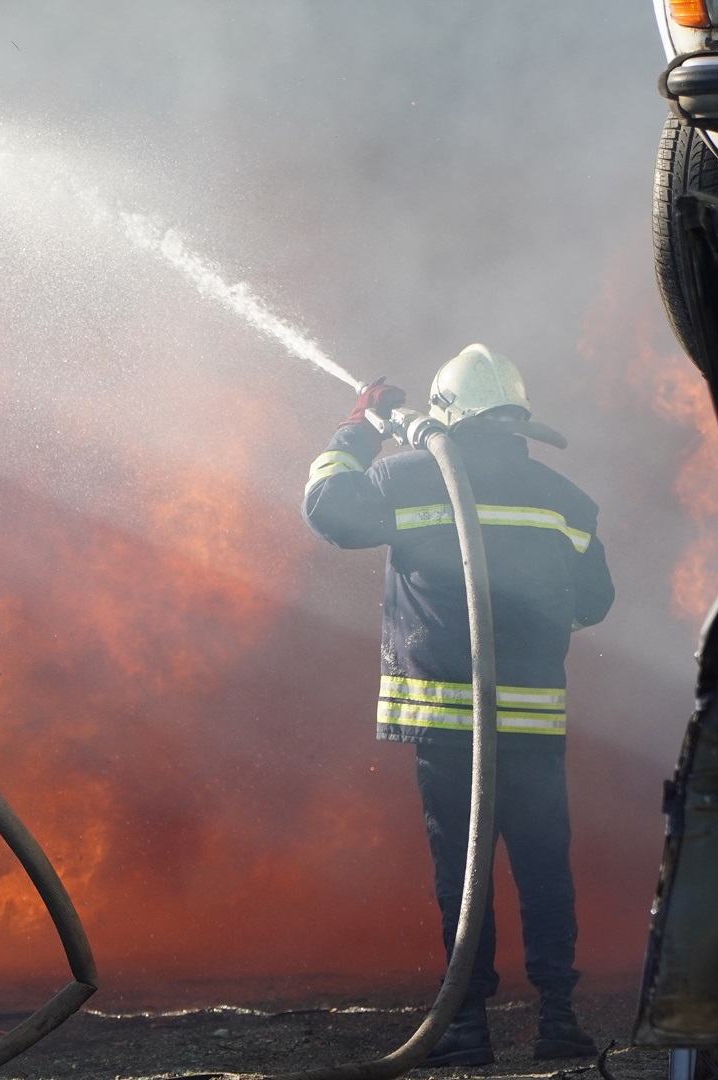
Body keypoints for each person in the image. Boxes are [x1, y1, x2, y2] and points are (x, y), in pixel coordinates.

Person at [302, 344, 614, 1067]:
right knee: (544, 866)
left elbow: (326, 509)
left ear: (442, 414)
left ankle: (467, 1027)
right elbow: (593, 602)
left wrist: (356, 431)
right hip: (533, 725)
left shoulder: (405, 477)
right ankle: (559, 1022)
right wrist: (535, 630)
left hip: (448, 725)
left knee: (462, 872)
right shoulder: (565, 497)